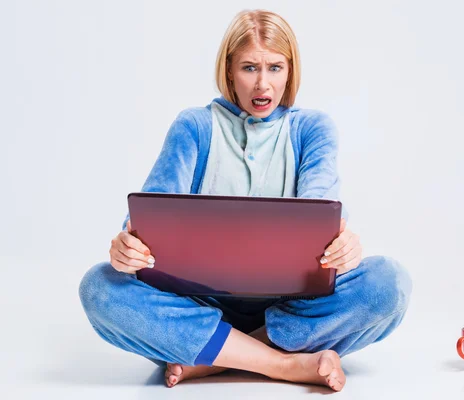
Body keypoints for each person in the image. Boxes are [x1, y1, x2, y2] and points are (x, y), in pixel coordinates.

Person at [78, 9, 412, 392]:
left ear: (290, 71)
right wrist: (128, 245)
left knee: (389, 282)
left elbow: (321, 211)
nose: (263, 85)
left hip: (291, 304)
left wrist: (343, 244)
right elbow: (148, 218)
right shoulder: (195, 126)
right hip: (197, 302)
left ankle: (217, 358)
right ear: (229, 70)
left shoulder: (311, 128)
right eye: (250, 68)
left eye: (275, 68)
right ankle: (283, 364)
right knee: (99, 287)